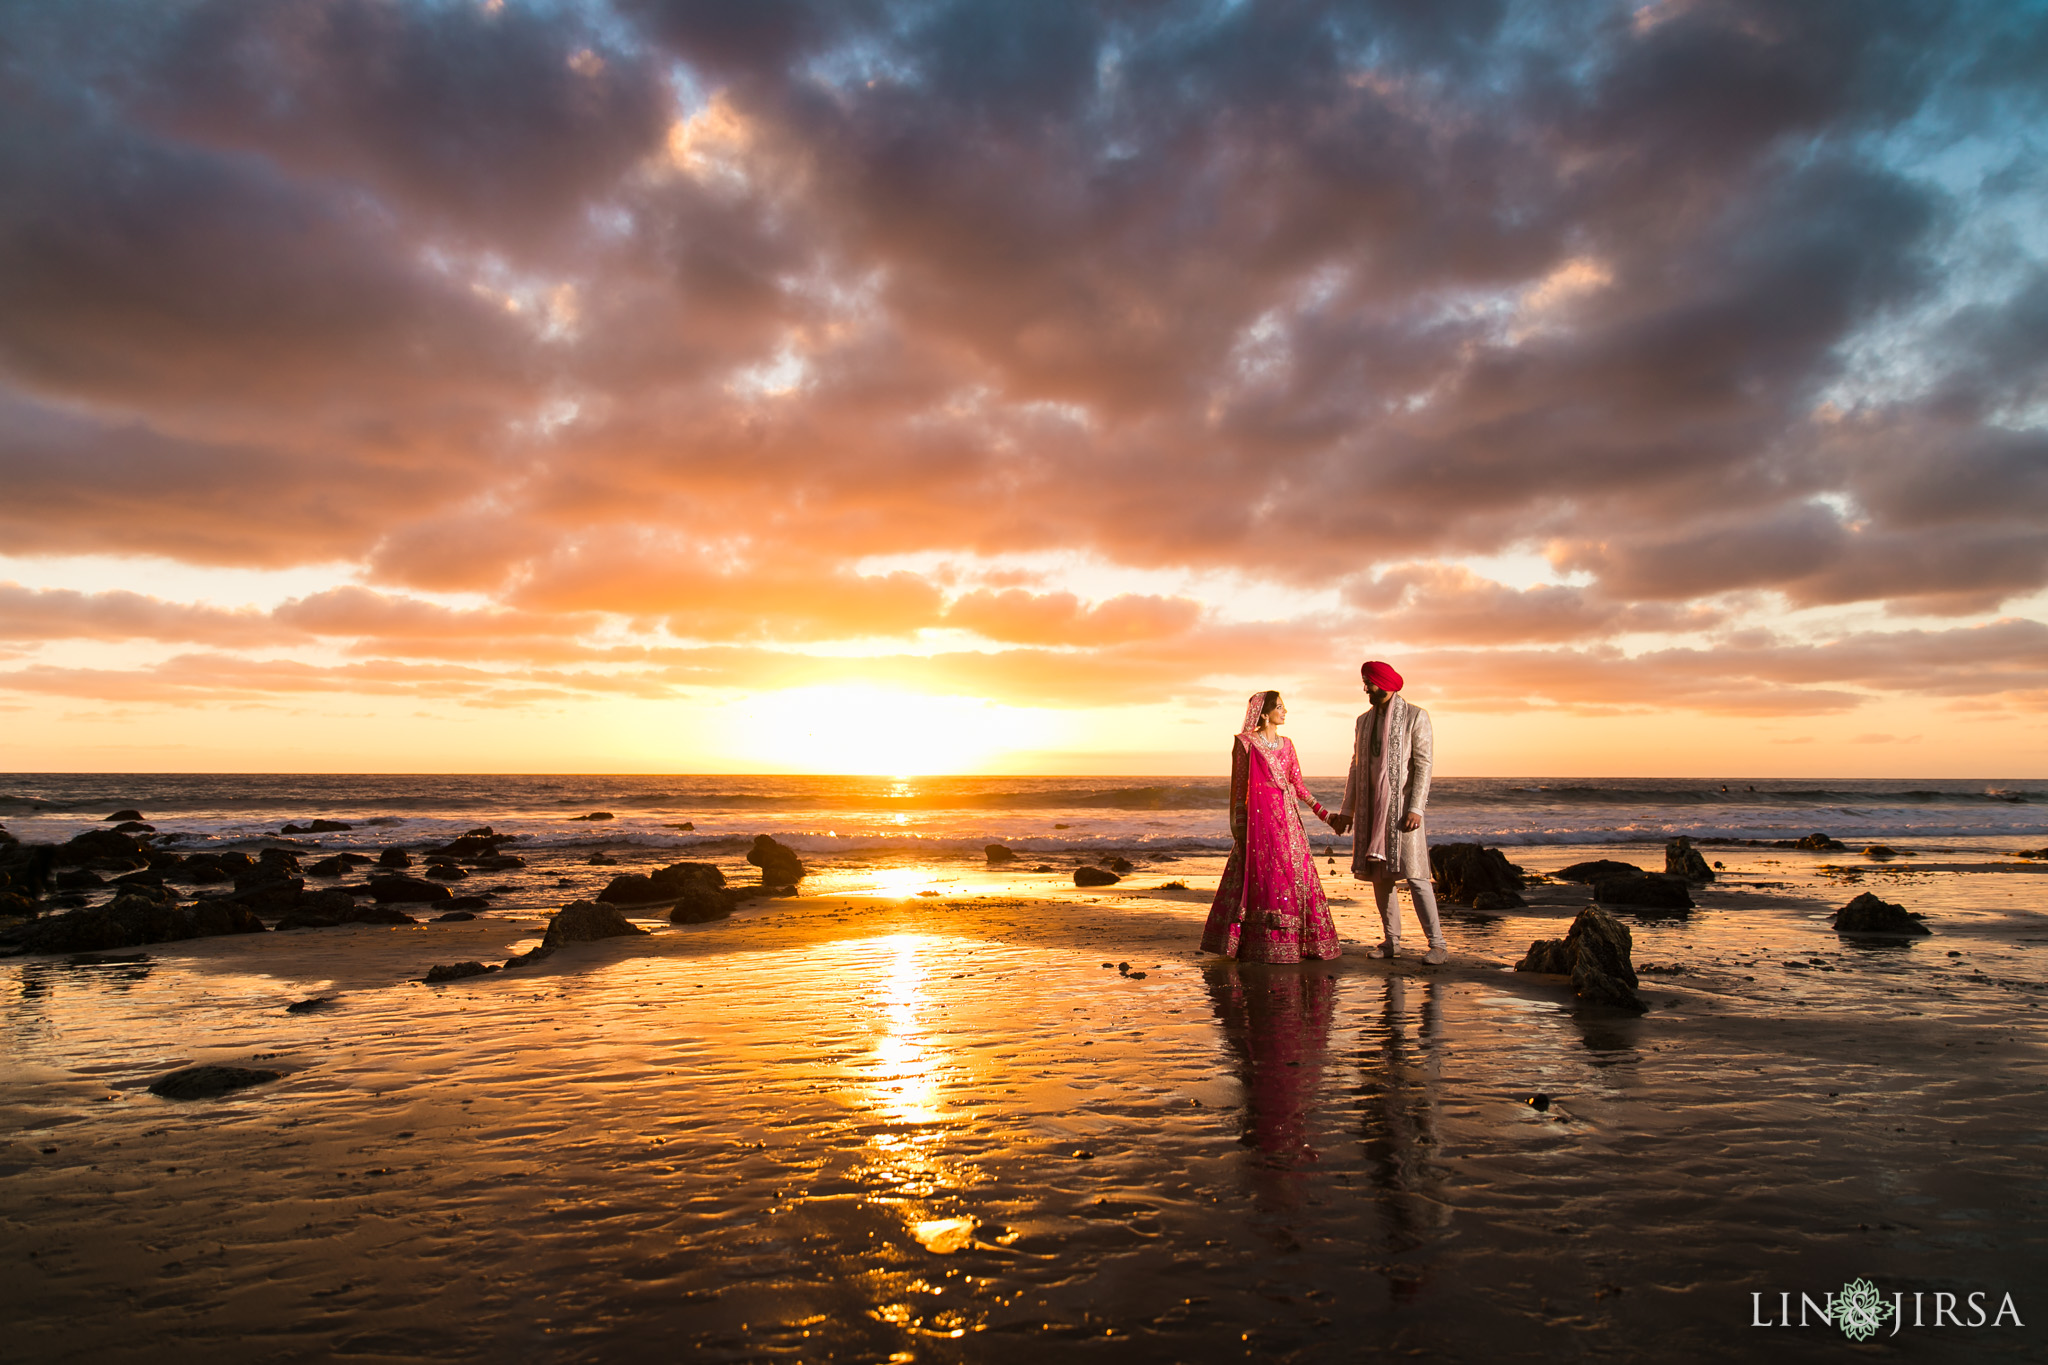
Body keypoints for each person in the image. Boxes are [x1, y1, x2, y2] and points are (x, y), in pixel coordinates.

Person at [1201, 691, 1342, 963]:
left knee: (1293, 877)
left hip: (1289, 822)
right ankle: (1262, 943)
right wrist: (1240, 827)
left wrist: (1325, 815)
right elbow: (1239, 788)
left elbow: (1298, 786)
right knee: (1265, 878)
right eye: (1280, 707)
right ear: (1264, 714)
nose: (1285, 711)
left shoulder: (1288, 745)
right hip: (1260, 824)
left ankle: (1299, 943)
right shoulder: (1245, 744)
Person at [1328, 661, 1447, 964]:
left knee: (1417, 877)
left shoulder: (1415, 716)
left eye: (1369, 682)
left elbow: (1423, 765)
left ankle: (1438, 945)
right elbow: (1356, 767)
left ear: (1384, 683)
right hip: (1371, 811)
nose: (1365, 688)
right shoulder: (1362, 721)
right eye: (1364, 682)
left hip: (1402, 812)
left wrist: (1416, 808)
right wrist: (1348, 811)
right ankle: (1392, 941)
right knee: (1381, 879)